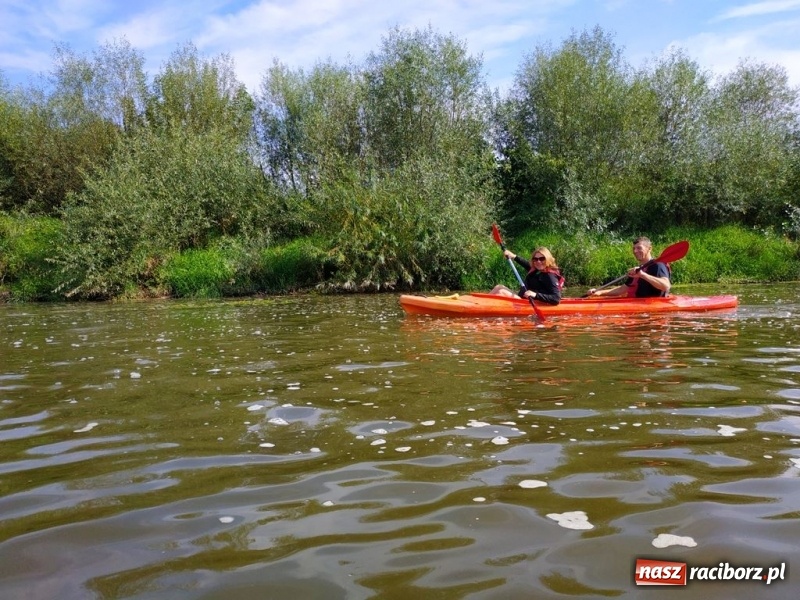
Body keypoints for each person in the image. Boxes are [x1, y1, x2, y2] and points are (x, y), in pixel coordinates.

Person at [588, 236, 671, 298]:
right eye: (634, 248)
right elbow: (622, 290)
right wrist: (600, 292)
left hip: (652, 308)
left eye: (639, 248)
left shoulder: (658, 265)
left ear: (649, 249)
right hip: (637, 305)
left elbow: (666, 286)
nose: (635, 251)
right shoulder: (638, 269)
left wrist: (642, 275)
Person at [490, 246, 562, 305]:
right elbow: (526, 264)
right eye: (535, 259)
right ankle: (484, 303)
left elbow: (556, 298)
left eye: (542, 259)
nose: (538, 261)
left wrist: (535, 295)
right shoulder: (536, 269)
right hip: (523, 299)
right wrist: (513, 256)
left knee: (501, 292)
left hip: (531, 303)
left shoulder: (550, 276)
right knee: (498, 287)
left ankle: (486, 307)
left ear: (548, 259)